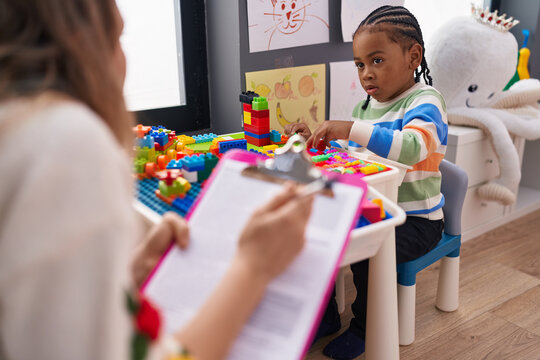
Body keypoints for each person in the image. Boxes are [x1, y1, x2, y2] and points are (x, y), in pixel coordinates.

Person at [0, 1, 315, 360]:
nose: (123, 60)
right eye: (116, 37)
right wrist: (253, 268)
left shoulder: (19, 131)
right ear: (78, 42)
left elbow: (41, 310)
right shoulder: (66, 142)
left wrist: (127, 276)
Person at [285, 5, 447, 360]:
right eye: (360, 64)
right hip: (373, 207)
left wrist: (348, 127)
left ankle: (364, 328)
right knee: (314, 234)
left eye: (376, 60)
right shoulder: (365, 108)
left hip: (416, 221)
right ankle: (325, 316)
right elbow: (351, 155)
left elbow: (412, 147)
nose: (366, 74)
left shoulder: (426, 102)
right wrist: (317, 139)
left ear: (412, 56)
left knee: (366, 255)